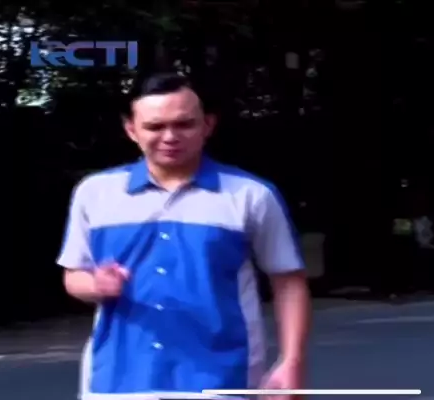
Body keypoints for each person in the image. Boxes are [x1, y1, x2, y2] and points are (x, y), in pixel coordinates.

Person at [57, 72, 311, 400]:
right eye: (155, 127)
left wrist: (292, 361)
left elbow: (288, 281)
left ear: (208, 125)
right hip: (118, 381)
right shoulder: (95, 193)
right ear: (131, 129)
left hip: (221, 378)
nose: (170, 137)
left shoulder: (250, 195)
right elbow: (73, 276)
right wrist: (97, 285)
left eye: (184, 124)